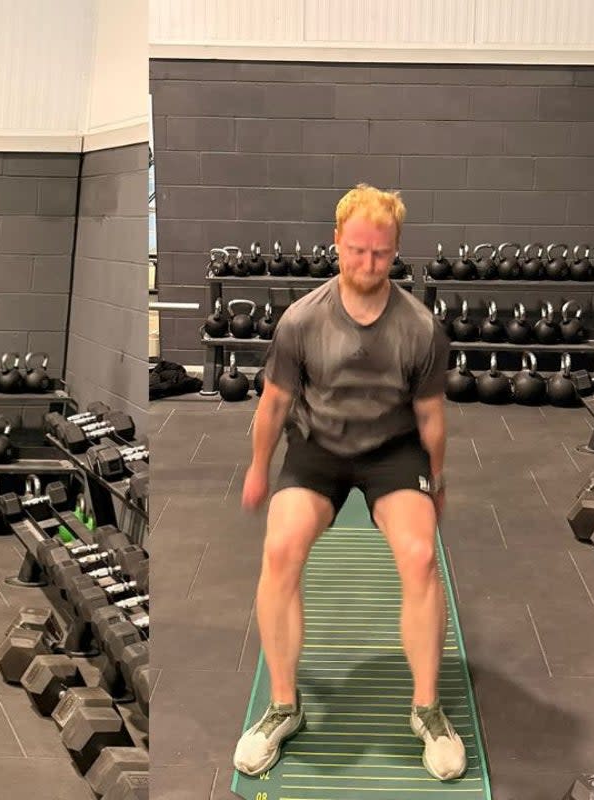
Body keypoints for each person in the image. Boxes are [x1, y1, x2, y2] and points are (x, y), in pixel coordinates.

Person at [233, 184, 461, 780]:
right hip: (318, 450)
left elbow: (432, 416)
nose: (367, 265)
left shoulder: (420, 327)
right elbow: (275, 403)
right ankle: (283, 706)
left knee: (419, 557)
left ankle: (428, 711)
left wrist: (436, 482)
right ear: (336, 242)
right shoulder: (301, 320)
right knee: (280, 549)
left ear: (396, 250)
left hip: (392, 449)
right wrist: (259, 468)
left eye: (380, 255)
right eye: (356, 251)